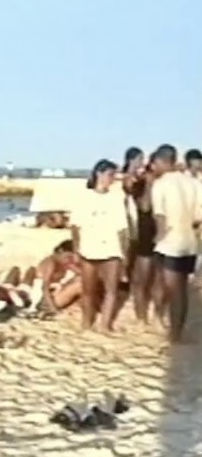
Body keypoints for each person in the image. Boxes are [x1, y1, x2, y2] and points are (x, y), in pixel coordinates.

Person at [150, 144, 202, 343]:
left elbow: (160, 217)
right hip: (189, 243)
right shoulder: (194, 183)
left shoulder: (161, 184)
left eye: (156, 163)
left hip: (169, 243)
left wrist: (158, 239)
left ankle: (167, 327)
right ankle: (177, 332)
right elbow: (198, 217)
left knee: (170, 289)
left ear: (163, 161)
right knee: (181, 291)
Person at [70, 159, 129, 333]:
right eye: (110, 175)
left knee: (112, 290)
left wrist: (125, 252)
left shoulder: (117, 198)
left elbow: (123, 229)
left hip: (112, 249)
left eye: (114, 176)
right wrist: (76, 249)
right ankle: (86, 323)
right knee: (89, 290)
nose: (112, 179)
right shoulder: (84, 197)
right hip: (89, 248)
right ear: (99, 174)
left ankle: (105, 325)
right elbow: (75, 226)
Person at [121, 146, 159, 325]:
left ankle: (142, 315)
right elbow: (140, 203)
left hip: (143, 229)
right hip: (140, 229)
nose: (141, 163)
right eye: (139, 159)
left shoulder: (145, 179)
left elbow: (145, 206)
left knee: (140, 278)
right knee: (139, 275)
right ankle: (143, 314)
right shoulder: (133, 179)